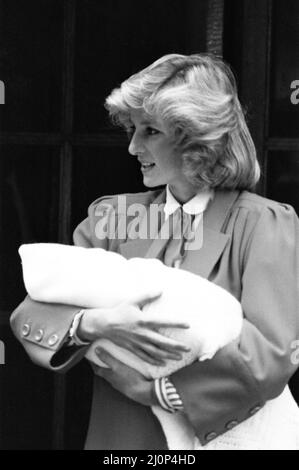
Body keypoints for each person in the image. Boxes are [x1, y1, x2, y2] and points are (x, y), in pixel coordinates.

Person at [10, 53, 299, 450]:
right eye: (132, 129)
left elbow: (270, 354)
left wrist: (159, 390)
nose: (132, 146)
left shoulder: (264, 224)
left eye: (150, 131)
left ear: (196, 137)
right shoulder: (111, 216)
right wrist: (93, 325)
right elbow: (32, 310)